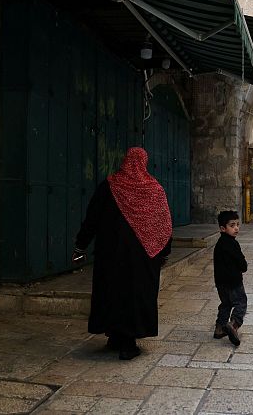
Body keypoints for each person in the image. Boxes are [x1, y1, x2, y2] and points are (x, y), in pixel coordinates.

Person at [73, 147, 172, 360]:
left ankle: (116, 335)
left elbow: (92, 218)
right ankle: (127, 342)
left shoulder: (109, 186)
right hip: (143, 257)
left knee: (112, 292)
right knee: (136, 295)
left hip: (111, 255)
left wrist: (80, 246)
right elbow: (164, 224)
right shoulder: (154, 189)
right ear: (144, 162)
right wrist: (164, 252)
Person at [212, 210, 247, 346]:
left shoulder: (219, 244)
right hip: (234, 282)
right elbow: (241, 262)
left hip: (221, 283)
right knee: (241, 302)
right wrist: (244, 267)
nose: (236, 228)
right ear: (222, 228)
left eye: (237, 225)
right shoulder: (232, 244)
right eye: (232, 225)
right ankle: (234, 325)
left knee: (226, 304)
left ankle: (219, 329)